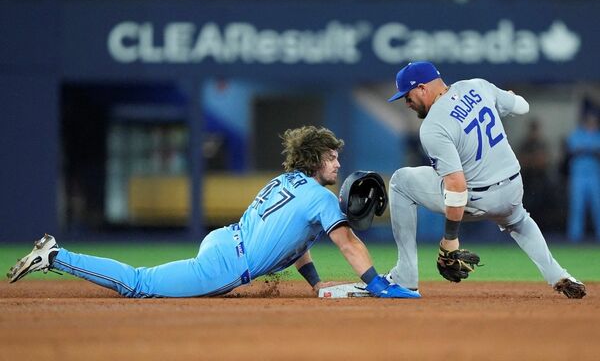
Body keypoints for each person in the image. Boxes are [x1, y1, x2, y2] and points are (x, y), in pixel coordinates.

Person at [7, 126, 419, 299]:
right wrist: (377, 285)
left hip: (223, 240)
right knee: (138, 284)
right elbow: (347, 242)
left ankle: (56, 255)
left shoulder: (288, 183)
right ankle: (56, 255)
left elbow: (297, 241)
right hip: (226, 264)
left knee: (145, 282)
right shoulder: (321, 199)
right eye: (331, 157)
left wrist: (314, 283)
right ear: (314, 158)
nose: (337, 163)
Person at [384, 61, 586, 299]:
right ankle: (559, 275)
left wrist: (450, 239)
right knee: (519, 220)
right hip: (512, 188)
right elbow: (522, 107)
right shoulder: (477, 86)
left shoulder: (432, 126)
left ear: (421, 88)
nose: (406, 103)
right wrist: (506, 99)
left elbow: (456, 186)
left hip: (476, 198)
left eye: (407, 96)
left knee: (400, 182)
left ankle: (406, 276)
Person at [566, 110, 600, 242]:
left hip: (594, 175)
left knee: (597, 206)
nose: (592, 123)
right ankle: (575, 236)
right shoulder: (577, 134)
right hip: (578, 176)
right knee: (577, 206)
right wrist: (590, 150)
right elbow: (572, 150)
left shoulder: (597, 135)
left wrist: (585, 150)